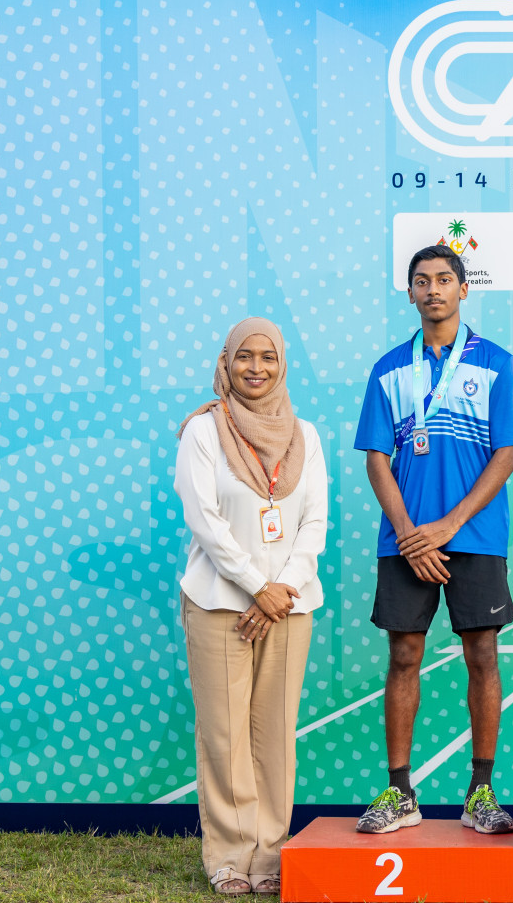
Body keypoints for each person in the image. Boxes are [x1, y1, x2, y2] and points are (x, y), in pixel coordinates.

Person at [353, 244, 513, 834]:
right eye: (422, 281)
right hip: (405, 541)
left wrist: (448, 527)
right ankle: (401, 793)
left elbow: (506, 455)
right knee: (403, 655)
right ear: (409, 293)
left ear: (462, 289)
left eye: (444, 279)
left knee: (482, 654)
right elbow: (378, 459)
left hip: (475, 534)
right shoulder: (387, 369)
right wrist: (410, 534)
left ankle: (481, 793)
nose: (433, 289)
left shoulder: (498, 363)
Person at [175, 317, 328, 895]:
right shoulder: (203, 432)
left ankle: (270, 856)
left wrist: (280, 591)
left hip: (289, 607)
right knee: (224, 735)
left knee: (273, 736)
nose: (256, 368)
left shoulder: (305, 436)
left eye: (268, 357)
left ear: (282, 364)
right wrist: (253, 586)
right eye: (245, 357)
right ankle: (229, 857)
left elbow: (314, 521)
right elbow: (205, 520)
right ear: (227, 362)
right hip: (218, 603)